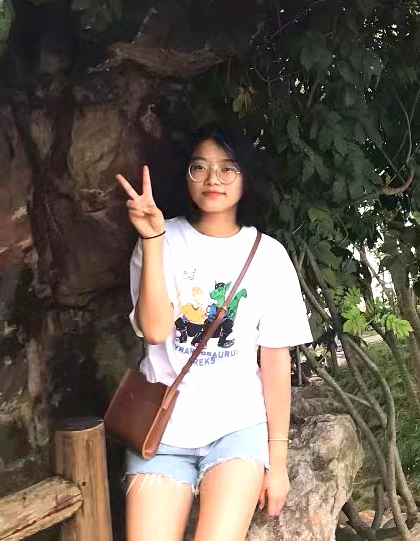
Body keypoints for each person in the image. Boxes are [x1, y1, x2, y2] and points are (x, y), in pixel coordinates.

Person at [114, 128, 313, 541]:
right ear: (186, 175)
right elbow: (155, 331)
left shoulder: (268, 255)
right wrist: (152, 240)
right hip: (160, 432)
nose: (213, 179)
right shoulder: (162, 240)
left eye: (227, 168)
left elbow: (275, 362)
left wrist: (277, 464)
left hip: (236, 430)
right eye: (200, 167)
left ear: (245, 176)